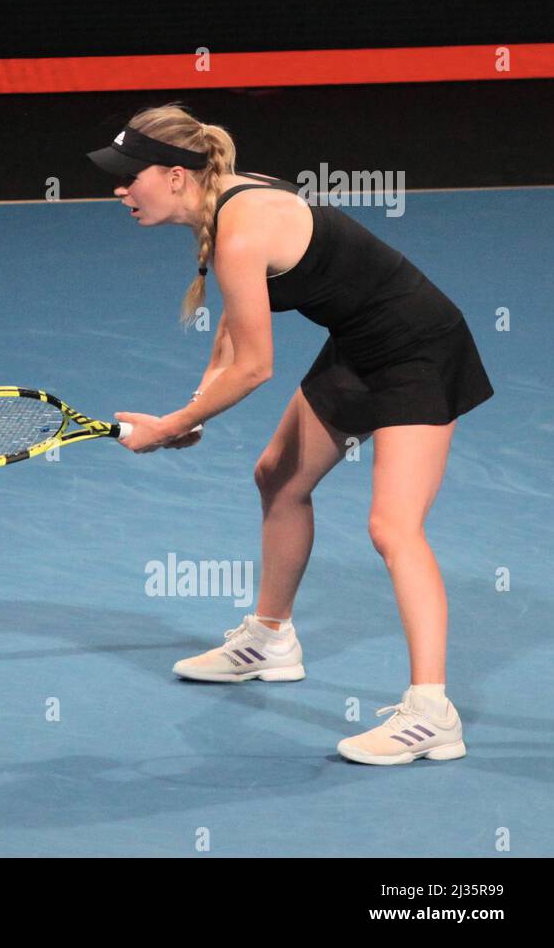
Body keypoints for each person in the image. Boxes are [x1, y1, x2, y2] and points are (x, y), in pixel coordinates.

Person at [85, 103, 493, 765]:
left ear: (178, 176)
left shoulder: (241, 232)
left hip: (421, 349)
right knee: (277, 476)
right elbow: (232, 333)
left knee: (393, 525)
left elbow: (255, 366)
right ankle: (271, 639)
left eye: (133, 176)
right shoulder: (225, 212)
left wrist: (172, 426)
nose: (120, 188)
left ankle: (432, 711)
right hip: (363, 347)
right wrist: (191, 410)